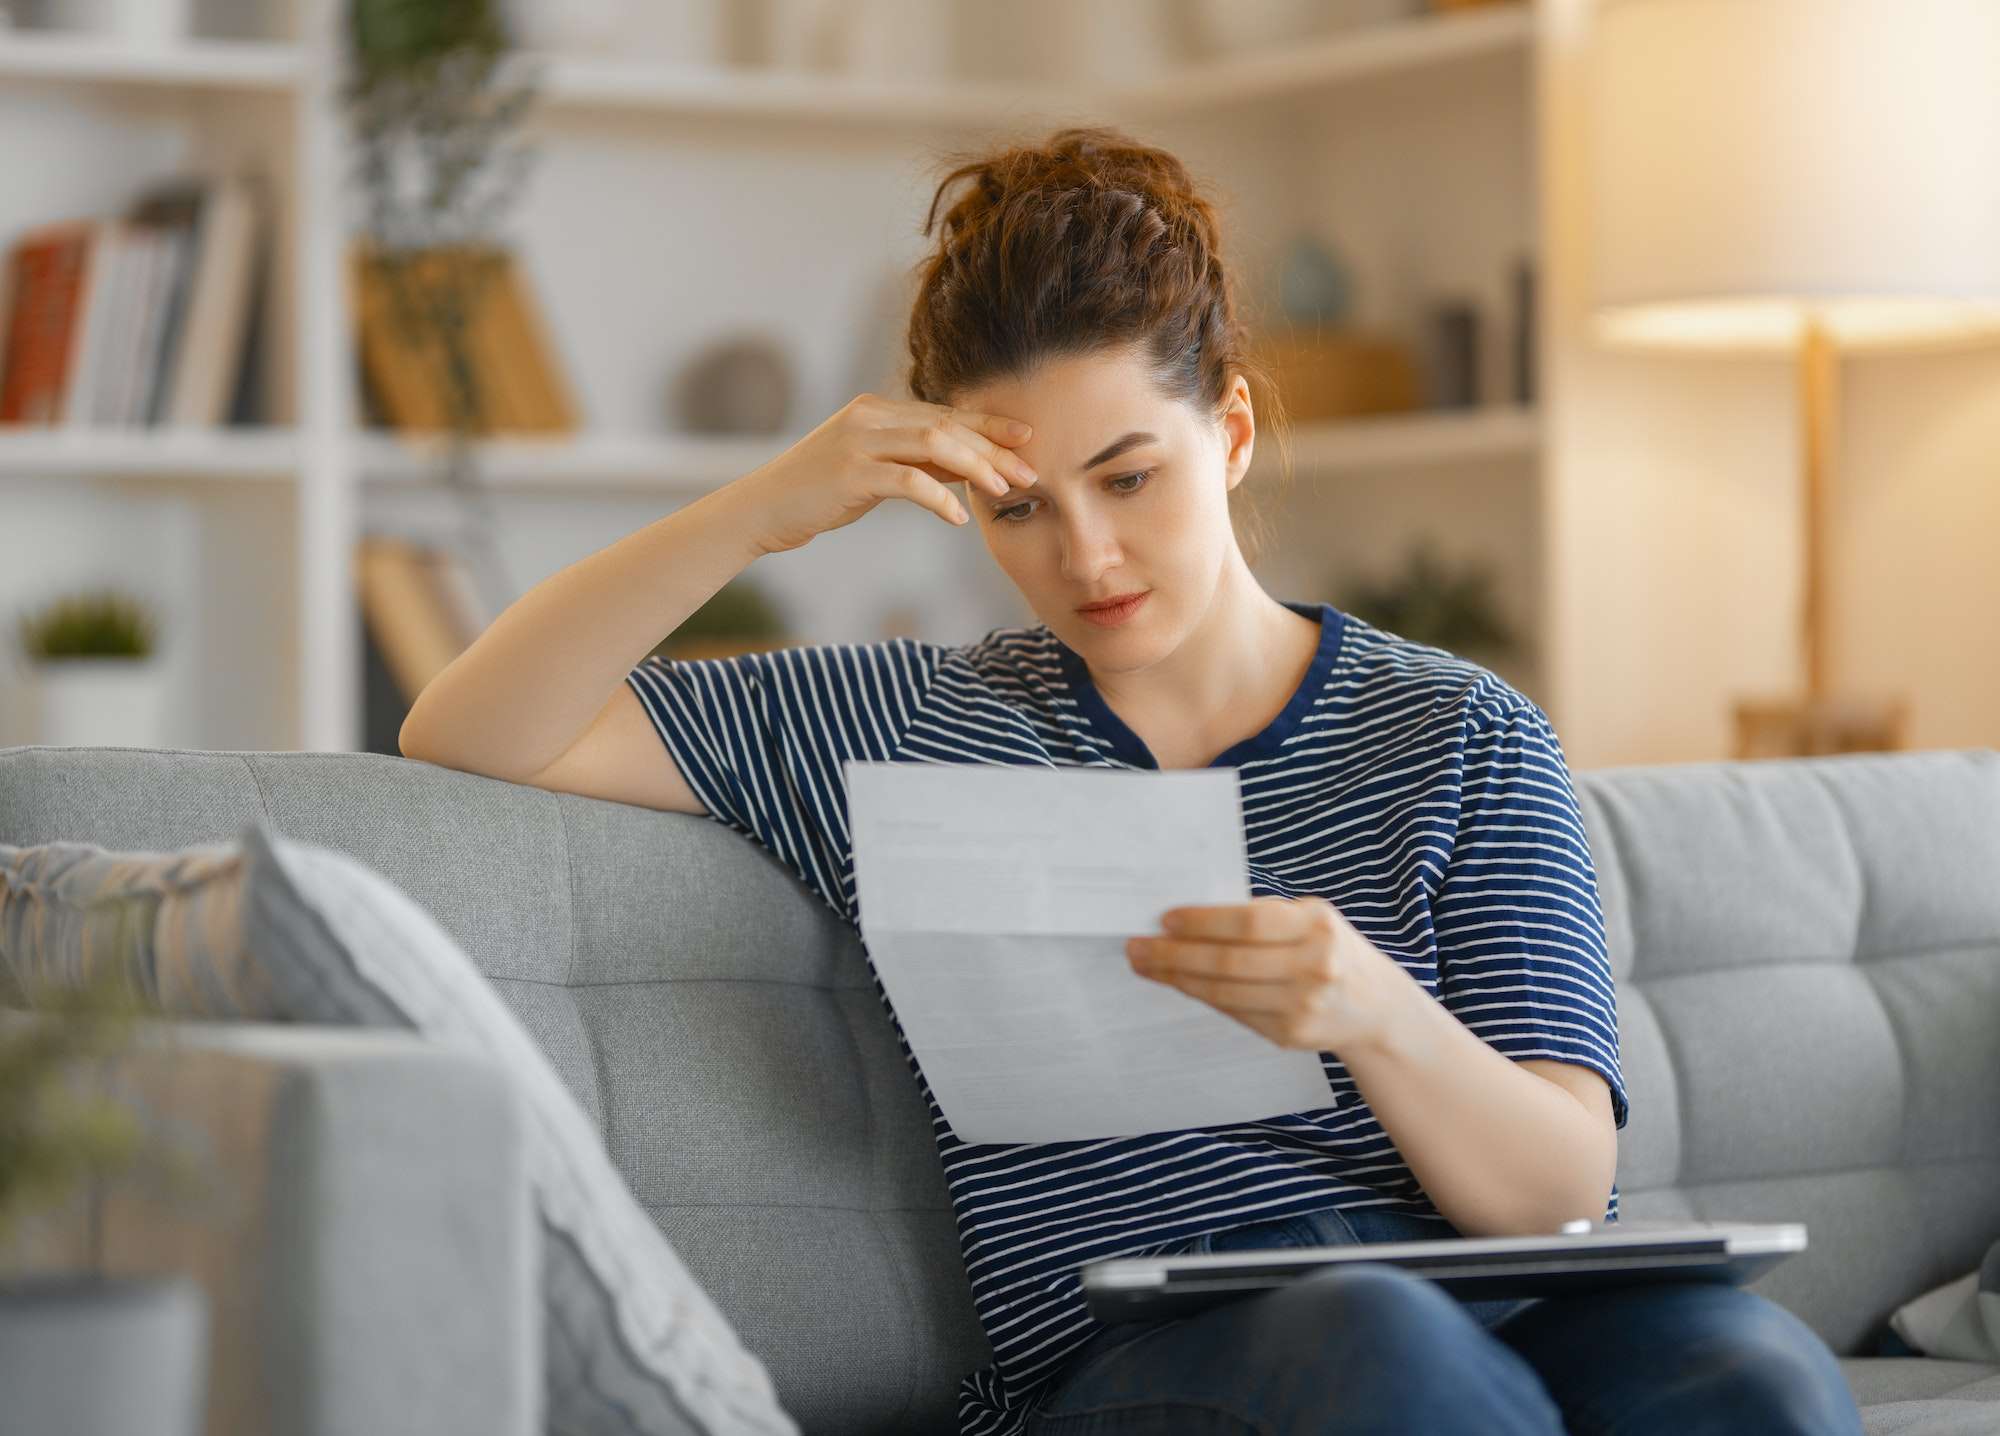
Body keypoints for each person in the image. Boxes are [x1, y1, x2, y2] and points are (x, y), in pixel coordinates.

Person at [398, 126, 1865, 1436]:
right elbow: (469, 726)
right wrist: (758, 513)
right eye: (1020, 508)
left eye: (1130, 477)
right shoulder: (902, 724)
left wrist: (1371, 1014)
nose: (1083, 557)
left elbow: (1559, 1194)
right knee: (1372, 1340)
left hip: (1488, 1300)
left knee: (1747, 1369)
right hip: (1145, 1360)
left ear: (1228, 434)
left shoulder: (1463, 733)